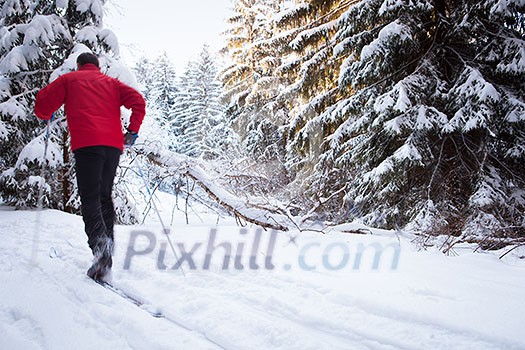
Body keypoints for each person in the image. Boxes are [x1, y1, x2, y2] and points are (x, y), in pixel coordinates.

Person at [34, 52, 146, 280]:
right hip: (113, 146)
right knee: (104, 196)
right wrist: (132, 132)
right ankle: (106, 249)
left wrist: (47, 113)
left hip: (87, 144)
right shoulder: (111, 83)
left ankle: (101, 251)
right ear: (97, 66)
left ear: (79, 65)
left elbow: (42, 104)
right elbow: (138, 102)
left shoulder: (70, 80)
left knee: (91, 197)